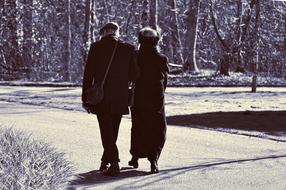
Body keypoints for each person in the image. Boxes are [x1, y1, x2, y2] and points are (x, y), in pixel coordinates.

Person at [82, 22, 139, 176]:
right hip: (120, 95)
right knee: (113, 130)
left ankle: (114, 163)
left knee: (106, 131)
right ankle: (105, 159)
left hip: (102, 96)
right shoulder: (128, 48)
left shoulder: (96, 47)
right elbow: (134, 75)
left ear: (105, 32)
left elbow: (88, 74)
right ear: (116, 32)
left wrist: (85, 97)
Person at [129, 27, 169, 174]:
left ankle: (135, 155)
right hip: (156, 98)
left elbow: (131, 76)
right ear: (156, 41)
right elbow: (165, 81)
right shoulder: (161, 59)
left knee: (138, 125)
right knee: (158, 128)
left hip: (139, 95)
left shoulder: (135, 56)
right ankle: (154, 159)